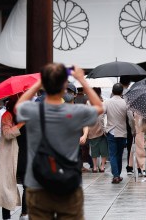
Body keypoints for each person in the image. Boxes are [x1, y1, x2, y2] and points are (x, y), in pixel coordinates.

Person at [16, 64, 103, 219]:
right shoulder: (75, 112)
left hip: (37, 184)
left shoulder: (34, 111)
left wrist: (39, 82)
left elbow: (18, 106)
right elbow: (99, 107)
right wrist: (81, 79)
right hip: (68, 184)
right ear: (65, 86)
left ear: (44, 85)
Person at [0, 96, 26, 220]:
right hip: (10, 155)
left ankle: (25, 213)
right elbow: (7, 134)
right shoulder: (7, 116)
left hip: (25, 153)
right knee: (7, 187)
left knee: (28, 185)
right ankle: (6, 217)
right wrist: (21, 124)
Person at [104, 82, 132, 184]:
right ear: (122, 92)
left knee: (112, 154)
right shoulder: (126, 103)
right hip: (122, 131)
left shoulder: (107, 102)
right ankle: (118, 175)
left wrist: (104, 128)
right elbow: (131, 119)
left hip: (111, 131)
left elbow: (101, 115)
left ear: (112, 91)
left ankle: (116, 175)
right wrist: (133, 130)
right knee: (119, 154)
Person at [85, 88, 108, 173]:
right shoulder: (102, 102)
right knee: (104, 149)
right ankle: (102, 166)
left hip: (92, 128)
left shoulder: (88, 102)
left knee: (94, 149)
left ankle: (94, 167)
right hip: (102, 129)